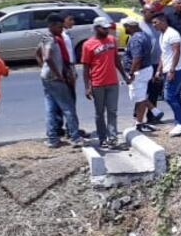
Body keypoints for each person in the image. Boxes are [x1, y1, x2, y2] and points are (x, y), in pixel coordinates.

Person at [36, 14, 84, 149]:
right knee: (68, 107)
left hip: (46, 77)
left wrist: (44, 68)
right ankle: (75, 137)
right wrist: (58, 74)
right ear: (51, 26)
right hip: (55, 78)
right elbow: (47, 57)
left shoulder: (46, 37)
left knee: (51, 108)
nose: (61, 30)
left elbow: (37, 53)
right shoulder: (50, 39)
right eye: (58, 27)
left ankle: (52, 138)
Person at [81, 16, 127, 149]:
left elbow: (116, 60)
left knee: (112, 111)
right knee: (99, 113)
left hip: (113, 81)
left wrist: (124, 76)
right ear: (96, 28)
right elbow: (86, 67)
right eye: (104, 28)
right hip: (97, 83)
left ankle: (112, 138)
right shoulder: (88, 45)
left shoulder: (112, 40)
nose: (107, 31)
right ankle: (102, 138)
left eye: (107, 28)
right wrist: (87, 86)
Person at [122, 18, 156, 133]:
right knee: (140, 97)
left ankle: (139, 124)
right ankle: (144, 118)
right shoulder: (144, 35)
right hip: (145, 69)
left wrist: (131, 73)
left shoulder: (136, 39)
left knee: (139, 98)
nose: (124, 28)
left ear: (131, 26)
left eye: (125, 26)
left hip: (139, 71)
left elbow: (137, 58)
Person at [158, 14, 181, 136]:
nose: (154, 25)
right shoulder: (163, 34)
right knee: (175, 97)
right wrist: (159, 69)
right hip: (167, 69)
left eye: (155, 22)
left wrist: (172, 70)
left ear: (163, 21)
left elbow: (177, 51)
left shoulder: (172, 34)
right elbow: (163, 54)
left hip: (176, 70)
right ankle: (180, 123)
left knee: (169, 97)